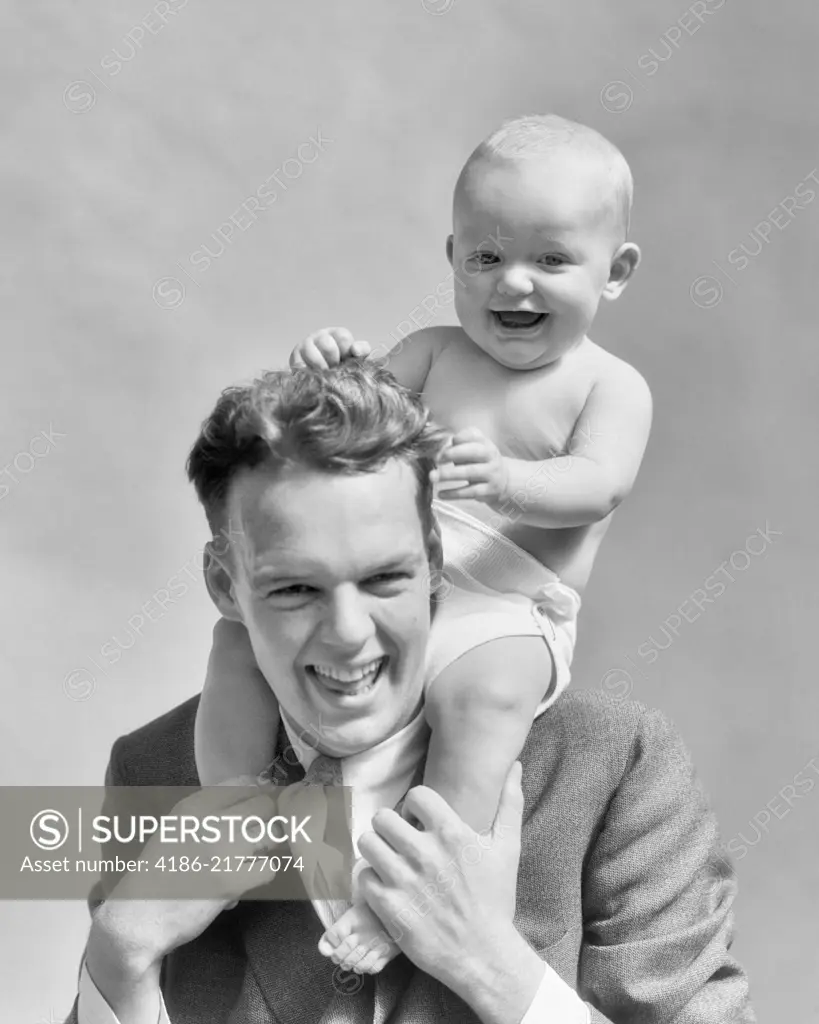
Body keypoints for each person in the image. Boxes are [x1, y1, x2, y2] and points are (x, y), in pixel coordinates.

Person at [66, 362, 753, 1024]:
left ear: (432, 560)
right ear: (225, 586)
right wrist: (118, 955)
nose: (347, 634)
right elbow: (120, 965)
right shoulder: (152, 770)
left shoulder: (615, 764)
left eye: (384, 579)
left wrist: (493, 968)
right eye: (295, 589)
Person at [194, 113, 653, 972]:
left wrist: (510, 480)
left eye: (550, 260)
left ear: (615, 272)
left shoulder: (608, 385)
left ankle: (406, 889)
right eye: (485, 257)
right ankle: (231, 818)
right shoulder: (434, 352)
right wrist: (325, 372)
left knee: (482, 703)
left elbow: (601, 483)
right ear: (452, 260)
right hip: (399, 586)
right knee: (235, 645)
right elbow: (341, 429)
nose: (511, 284)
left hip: (507, 606)